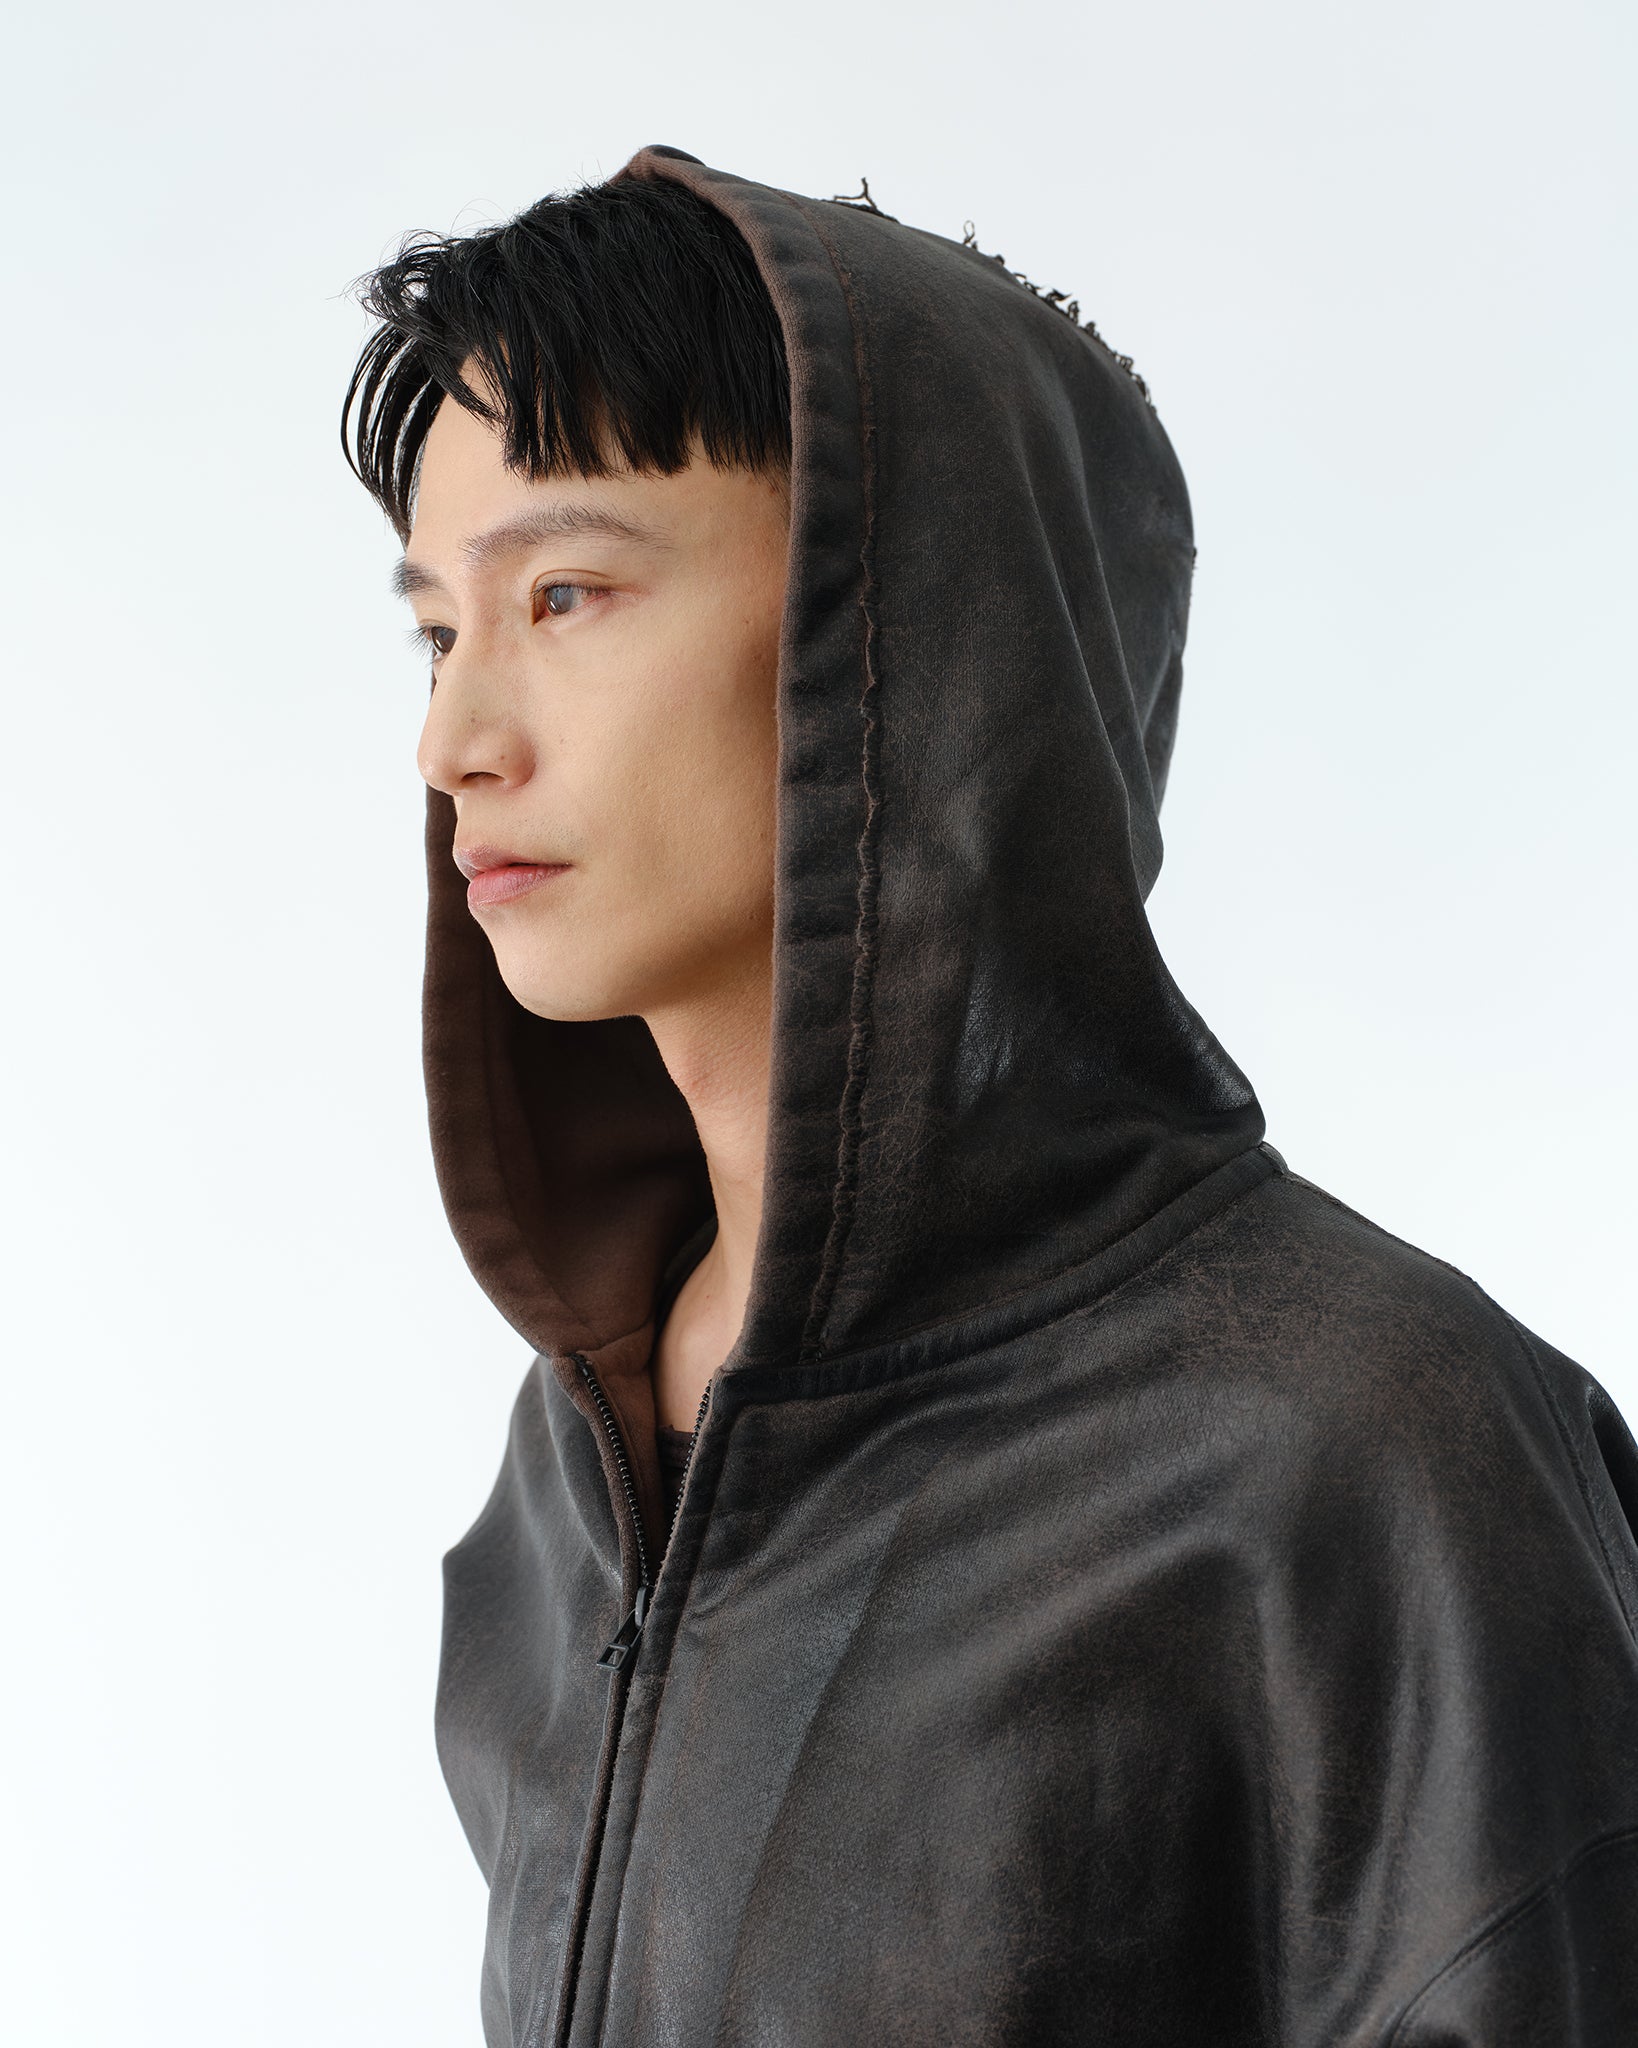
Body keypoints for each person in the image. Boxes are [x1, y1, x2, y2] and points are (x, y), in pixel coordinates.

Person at [341, 143, 1638, 2046]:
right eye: (436, 630)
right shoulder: (575, 1468)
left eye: (566, 594)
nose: (453, 738)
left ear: (908, 646)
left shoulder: (1364, 1454)